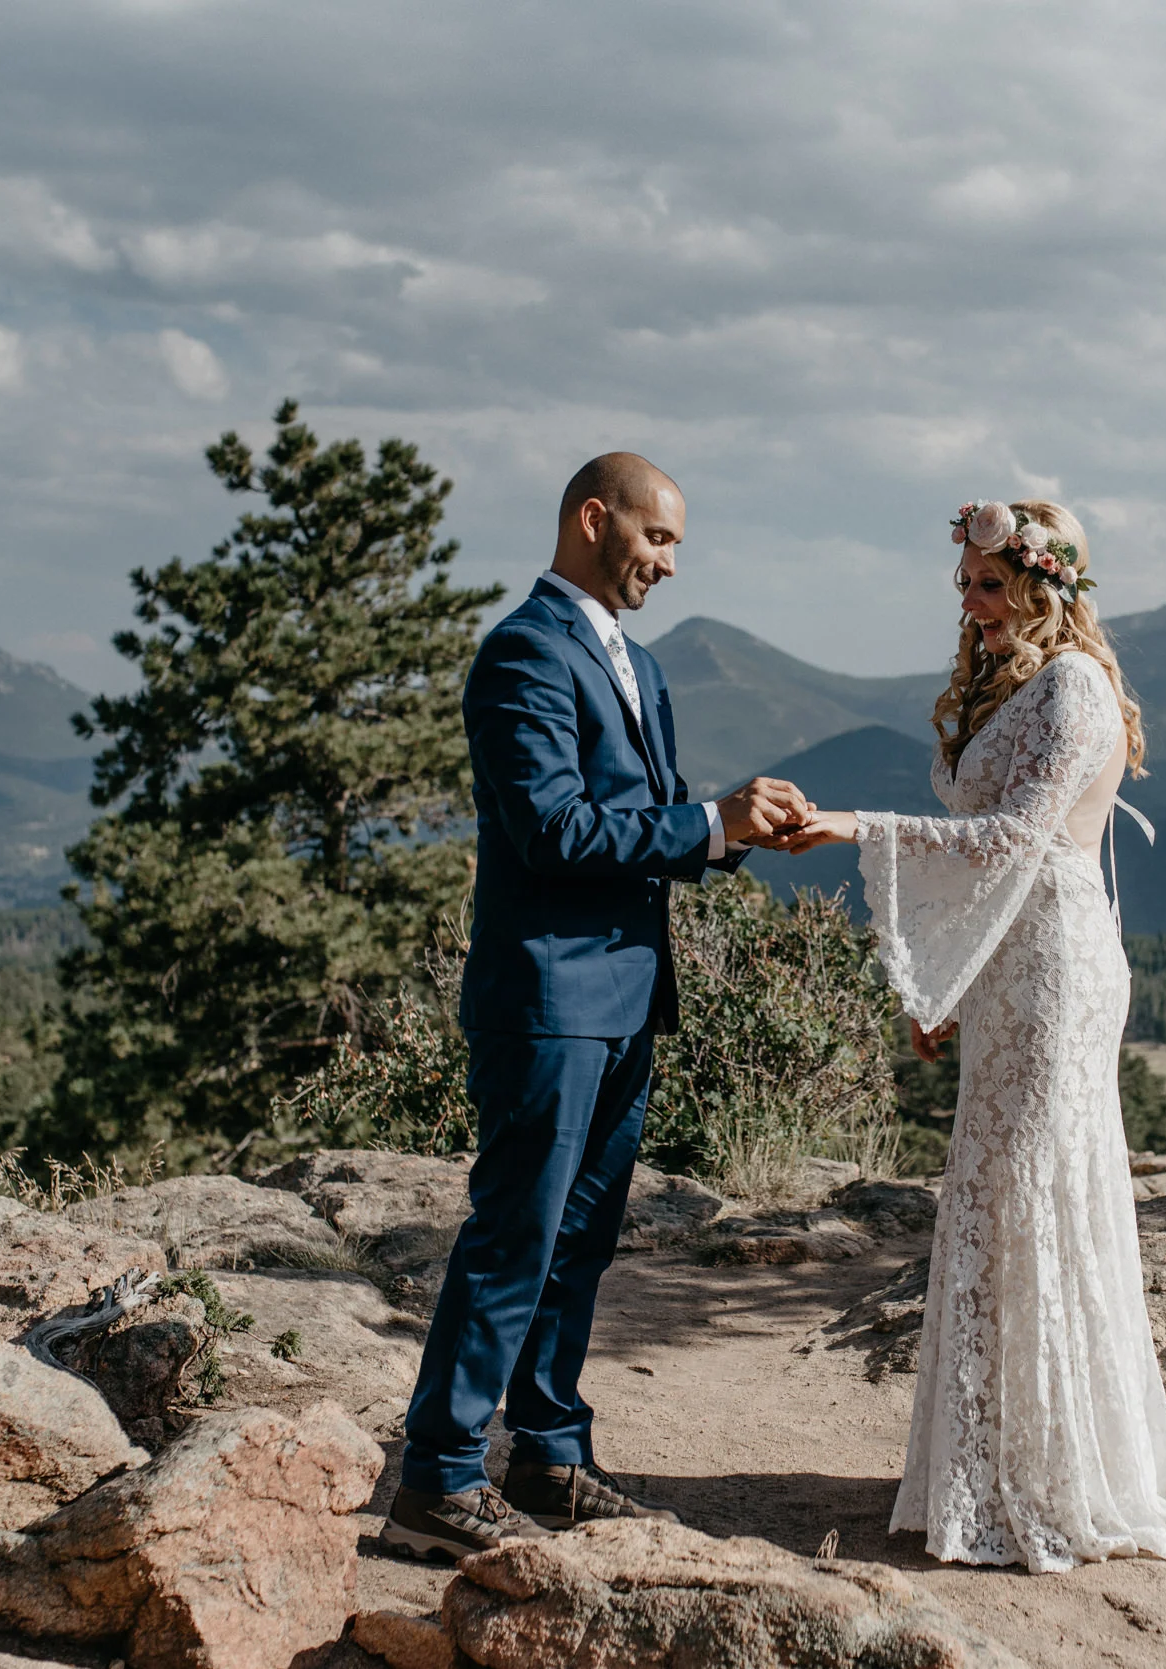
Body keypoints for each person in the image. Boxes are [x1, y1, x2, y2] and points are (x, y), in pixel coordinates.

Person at [774, 498, 1166, 1571]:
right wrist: (939, 980)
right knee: (995, 1195)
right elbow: (994, 855)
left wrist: (859, 824)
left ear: (1050, 584)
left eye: (990, 583)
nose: (971, 603)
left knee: (1031, 1196)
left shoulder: (1076, 686)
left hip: (1055, 970)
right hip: (1012, 964)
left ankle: (1055, 1475)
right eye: (964, 584)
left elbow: (1008, 836)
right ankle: (994, 1461)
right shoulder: (1016, 684)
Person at [382, 453, 811, 1558]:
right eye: (657, 538)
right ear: (592, 518)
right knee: (515, 1233)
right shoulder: (524, 653)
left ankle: (549, 1457)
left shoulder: (641, 664)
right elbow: (554, 829)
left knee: (581, 1240)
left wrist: (736, 829)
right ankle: (436, 1476)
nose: (668, 563)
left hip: (627, 996)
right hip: (550, 996)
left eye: (675, 546)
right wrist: (708, 823)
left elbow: (645, 818)